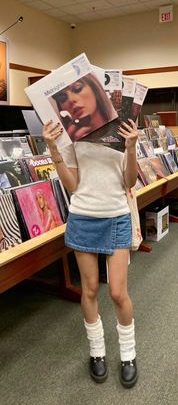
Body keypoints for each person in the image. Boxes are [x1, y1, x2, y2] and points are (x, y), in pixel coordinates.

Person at [42, 117, 139, 388]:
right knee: (90, 289)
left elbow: (129, 181)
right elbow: (73, 186)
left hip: (116, 215)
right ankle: (97, 351)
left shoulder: (122, 129)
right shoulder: (74, 133)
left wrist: (130, 147)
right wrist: (53, 149)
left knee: (118, 292)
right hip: (83, 217)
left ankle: (128, 354)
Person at [51, 73, 117, 141]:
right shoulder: (68, 138)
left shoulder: (118, 129)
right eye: (62, 97)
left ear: (94, 88)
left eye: (77, 89)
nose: (71, 99)